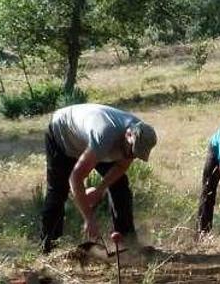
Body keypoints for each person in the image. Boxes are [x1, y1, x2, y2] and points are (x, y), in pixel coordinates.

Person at [39, 103, 157, 253]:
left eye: (136, 154)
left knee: (119, 184)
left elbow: (121, 167)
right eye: (132, 151)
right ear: (127, 135)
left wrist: (99, 190)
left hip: (89, 139)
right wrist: (89, 219)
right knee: (58, 191)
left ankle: (127, 243)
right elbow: (75, 178)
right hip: (62, 133)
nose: (132, 156)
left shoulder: (138, 135)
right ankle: (48, 248)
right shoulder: (105, 135)